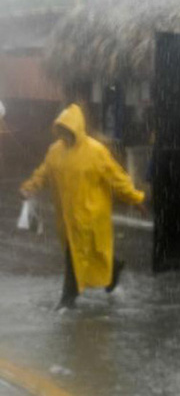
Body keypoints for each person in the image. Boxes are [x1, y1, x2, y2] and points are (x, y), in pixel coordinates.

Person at [20, 103, 146, 310]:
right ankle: (113, 269)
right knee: (90, 254)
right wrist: (29, 187)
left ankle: (67, 299)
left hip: (91, 216)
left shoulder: (96, 151)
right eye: (61, 129)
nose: (64, 134)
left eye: (67, 129)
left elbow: (117, 178)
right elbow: (43, 173)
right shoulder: (55, 152)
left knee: (75, 255)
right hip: (68, 217)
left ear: (76, 128)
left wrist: (135, 199)